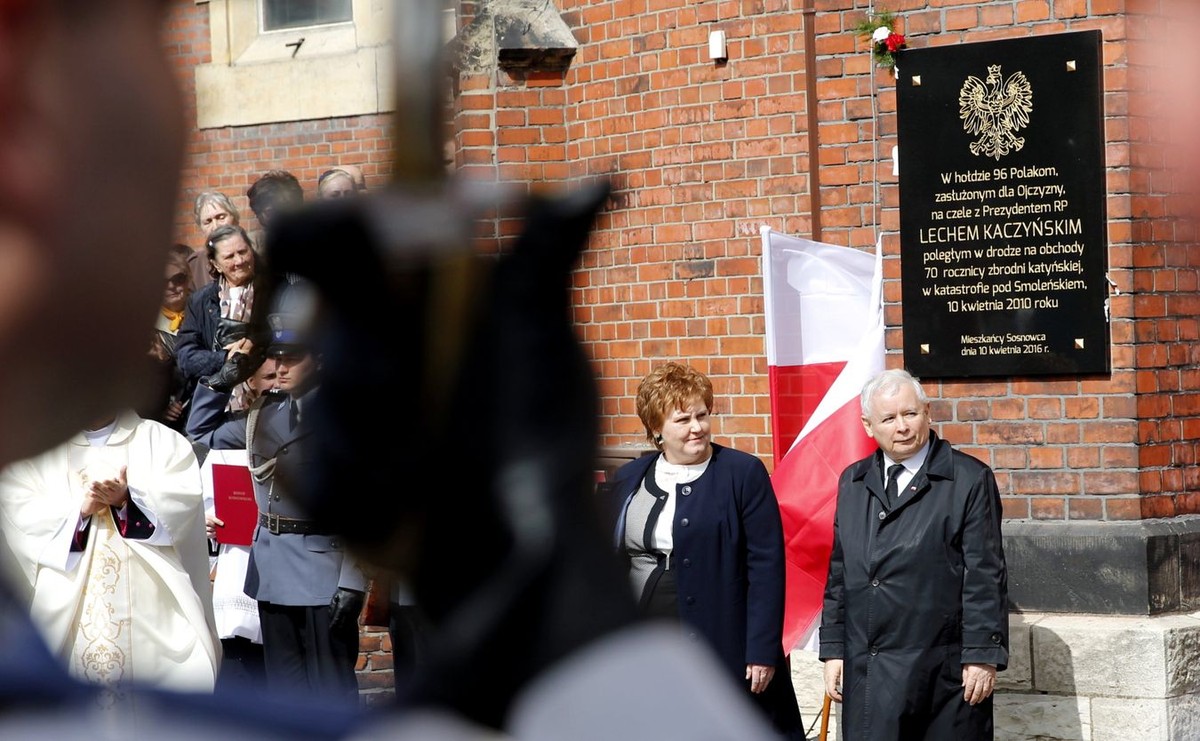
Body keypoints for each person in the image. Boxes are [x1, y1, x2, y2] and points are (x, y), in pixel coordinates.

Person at [187, 277, 366, 706]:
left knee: (330, 697)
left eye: (293, 358)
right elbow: (199, 435)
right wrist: (222, 379)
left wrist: (353, 581)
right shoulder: (263, 415)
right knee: (286, 698)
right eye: (275, 358)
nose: (281, 367)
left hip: (324, 575)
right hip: (270, 574)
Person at [605, 362, 804, 739]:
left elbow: (766, 565)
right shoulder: (630, 478)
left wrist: (761, 650)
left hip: (723, 635)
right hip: (648, 638)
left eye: (702, 415)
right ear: (656, 430)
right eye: (683, 419)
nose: (697, 427)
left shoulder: (742, 473)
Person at [820, 368, 1009, 741]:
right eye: (889, 418)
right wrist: (833, 650)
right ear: (868, 426)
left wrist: (981, 656)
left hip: (941, 675)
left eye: (910, 414)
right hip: (868, 673)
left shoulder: (968, 480)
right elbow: (840, 573)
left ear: (927, 412)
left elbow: (984, 574)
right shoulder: (853, 482)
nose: (901, 427)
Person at [0, 410, 220, 693]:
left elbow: (182, 506)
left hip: (151, 611)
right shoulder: (37, 446)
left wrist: (128, 501)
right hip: (70, 609)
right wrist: (81, 510)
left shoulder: (161, 440)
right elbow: (18, 508)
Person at [175, 224, 264, 416]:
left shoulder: (275, 290)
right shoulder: (200, 301)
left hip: (266, 400)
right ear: (216, 264)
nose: (239, 260)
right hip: (217, 407)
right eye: (229, 256)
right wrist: (224, 358)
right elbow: (185, 356)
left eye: (243, 251)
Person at [144, 244, 198, 433]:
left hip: (204, 410)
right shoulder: (146, 326)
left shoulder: (204, 310)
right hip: (166, 424)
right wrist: (163, 408)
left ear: (188, 278)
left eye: (178, 279)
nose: (171, 286)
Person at [192, 191, 242, 286]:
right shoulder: (194, 266)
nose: (215, 226)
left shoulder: (255, 255)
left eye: (221, 217)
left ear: (235, 219)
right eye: (208, 222)